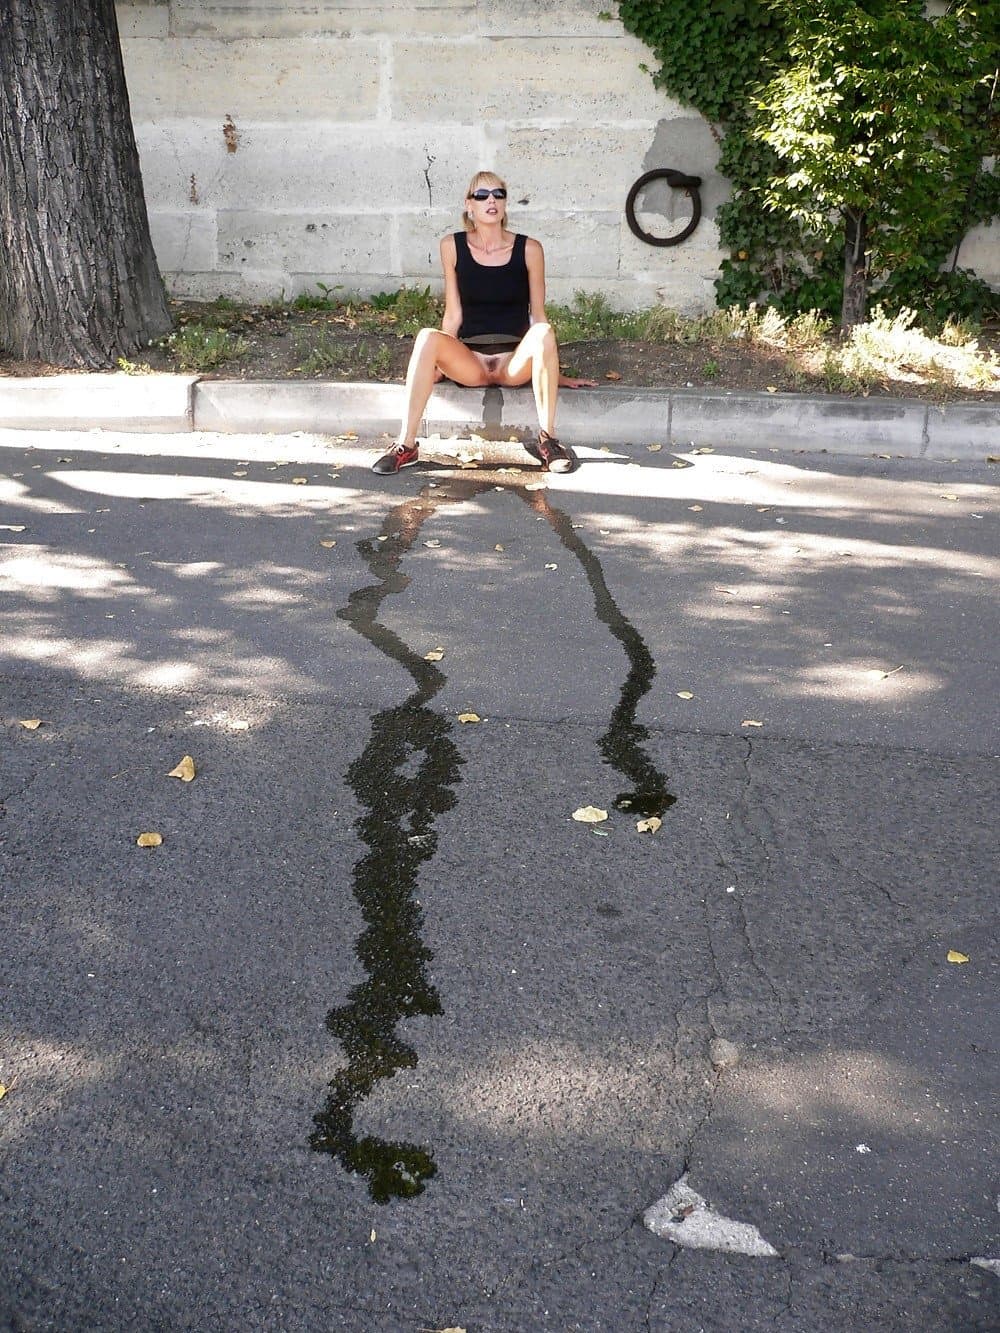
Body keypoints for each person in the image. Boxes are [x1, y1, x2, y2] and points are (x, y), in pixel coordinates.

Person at [372, 169, 596, 476]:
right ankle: (406, 445)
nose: (491, 200)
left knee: (543, 331)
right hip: (472, 363)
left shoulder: (530, 249)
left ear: (504, 204)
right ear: (469, 205)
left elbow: (538, 318)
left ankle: (549, 440)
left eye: (498, 194)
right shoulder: (452, 246)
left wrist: (553, 372)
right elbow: (453, 315)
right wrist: (435, 366)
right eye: (482, 195)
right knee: (427, 337)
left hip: (512, 363)